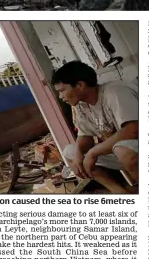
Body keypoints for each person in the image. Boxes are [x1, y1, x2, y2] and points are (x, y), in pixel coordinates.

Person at [52, 61, 139, 194]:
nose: (61, 96)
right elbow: (85, 135)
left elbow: (132, 130)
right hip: (121, 153)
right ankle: (120, 192)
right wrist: (78, 156)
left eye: (62, 90)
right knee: (70, 151)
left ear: (80, 85)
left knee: (122, 150)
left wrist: (93, 153)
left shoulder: (115, 91)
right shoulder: (81, 105)